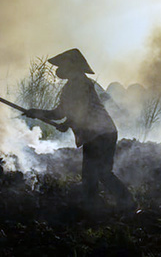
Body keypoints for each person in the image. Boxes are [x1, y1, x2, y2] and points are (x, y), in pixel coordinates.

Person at [23, 48, 135, 210]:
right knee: (100, 173)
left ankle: (106, 208)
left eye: (62, 65)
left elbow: (79, 110)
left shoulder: (79, 83)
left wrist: (66, 123)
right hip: (103, 133)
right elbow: (60, 113)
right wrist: (36, 112)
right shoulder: (74, 85)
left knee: (93, 175)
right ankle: (111, 206)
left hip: (98, 134)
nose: (59, 69)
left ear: (72, 66)